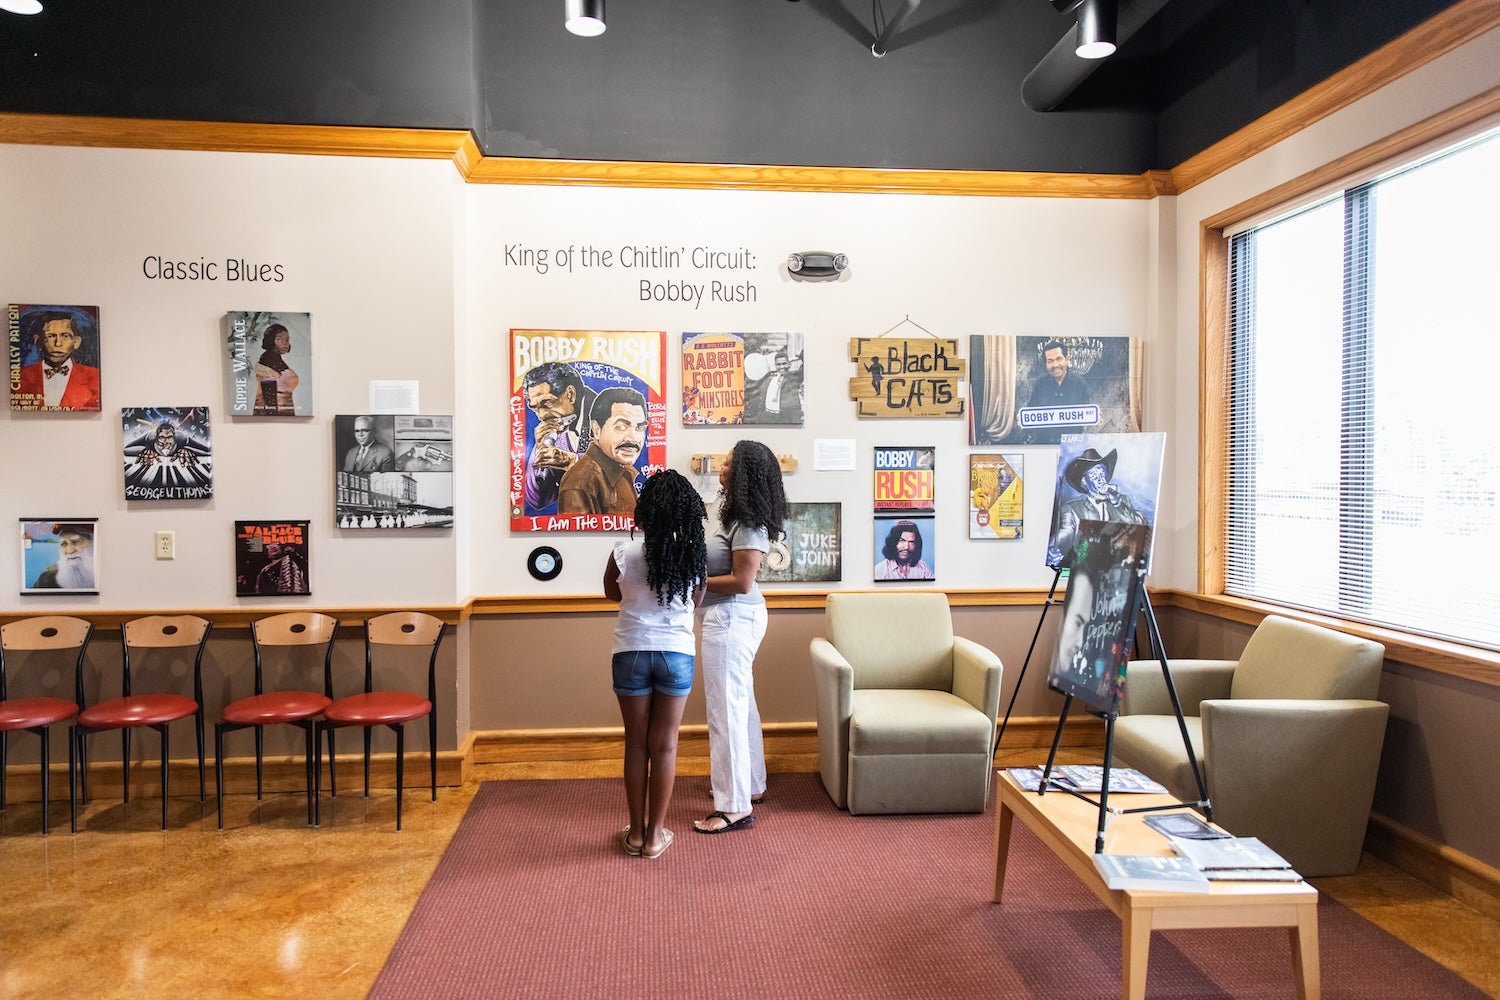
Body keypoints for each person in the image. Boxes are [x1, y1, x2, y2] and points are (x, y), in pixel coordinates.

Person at [603, 469, 707, 860]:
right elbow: (695, 601)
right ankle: (655, 836)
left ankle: (634, 833)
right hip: (676, 653)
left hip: (630, 651)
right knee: (664, 747)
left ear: (646, 509)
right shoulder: (692, 553)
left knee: (635, 743)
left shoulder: (623, 550)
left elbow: (610, 592)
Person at [694, 440, 788, 835]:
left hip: (733, 617)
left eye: (730, 463)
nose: (722, 466)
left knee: (725, 712)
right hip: (727, 617)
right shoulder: (729, 512)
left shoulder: (748, 522)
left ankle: (733, 806)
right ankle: (750, 784)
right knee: (740, 704)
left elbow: (742, 580)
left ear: (745, 473)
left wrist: (691, 583)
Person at [1048, 447, 1147, 568]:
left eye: (1102, 472)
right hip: (1087, 570)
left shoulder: (1122, 501)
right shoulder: (1072, 508)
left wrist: (1118, 504)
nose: (1100, 479)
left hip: (1120, 569)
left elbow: (1141, 525)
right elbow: (1066, 532)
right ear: (1084, 482)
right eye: (1094, 475)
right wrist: (1054, 548)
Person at [557, 387, 647, 517]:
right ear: (596, 429)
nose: (633, 438)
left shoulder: (622, 471)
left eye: (640, 428)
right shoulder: (579, 484)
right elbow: (579, 536)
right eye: (621, 427)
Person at [522, 362, 595, 511]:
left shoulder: (606, 411)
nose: (541, 415)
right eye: (535, 408)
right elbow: (536, 500)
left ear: (570, 394)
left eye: (547, 403)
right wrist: (540, 449)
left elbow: (618, 470)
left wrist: (571, 461)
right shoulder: (555, 429)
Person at [16, 312, 101, 411]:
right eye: (51, 336)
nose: (58, 343)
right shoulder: (20, 377)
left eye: (65, 336)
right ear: (38, 341)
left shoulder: (94, 376)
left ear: (76, 342)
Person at [1022, 339, 1091, 444]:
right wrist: (1023, 419)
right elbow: (1031, 412)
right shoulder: (1040, 384)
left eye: (1059, 359)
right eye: (1050, 361)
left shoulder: (1080, 383)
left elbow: (1086, 415)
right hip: (1043, 445)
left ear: (1067, 360)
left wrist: (1093, 417)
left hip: (1071, 447)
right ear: (1046, 363)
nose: (1055, 365)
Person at [252, 323, 299, 415]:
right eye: (279, 339)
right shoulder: (268, 361)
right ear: (271, 340)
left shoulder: (274, 359)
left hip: (282, 409)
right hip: (276, 412)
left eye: (287, 339)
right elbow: (269, 398)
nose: (284, 342)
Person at [31, 523, 96, 589]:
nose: (69, 551)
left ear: (94, 544)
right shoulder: (47, 578)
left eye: (77, 542)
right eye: (64, 544)